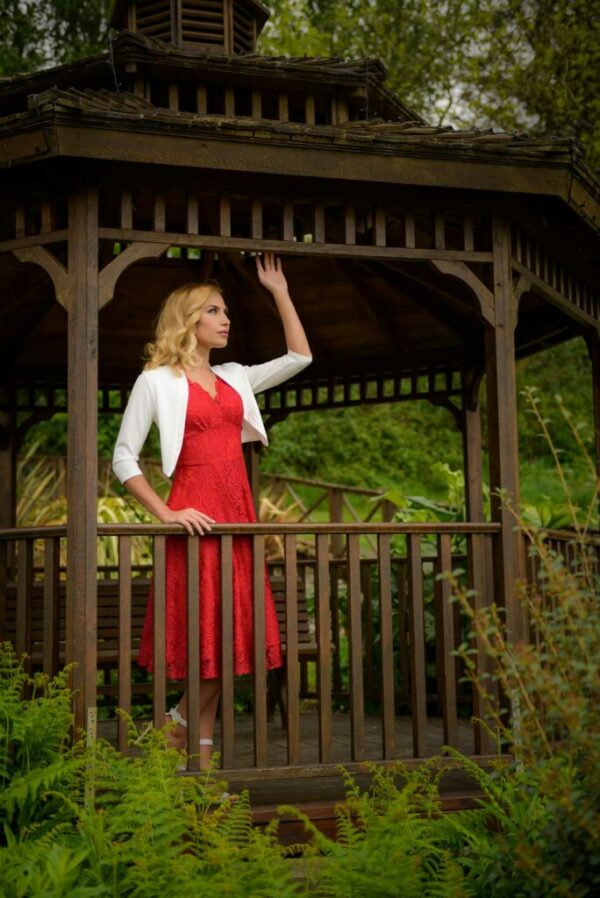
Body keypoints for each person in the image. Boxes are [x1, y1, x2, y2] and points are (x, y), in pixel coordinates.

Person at [112, 253, 312, 768]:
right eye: (215, 311)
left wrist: (280, 292)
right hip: (195, 518)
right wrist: (165, 513)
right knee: (208, 634)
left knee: (232, 635)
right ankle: (190, 748)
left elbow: (298, 357)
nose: (226, 320)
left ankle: (184, 742)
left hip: (239, 517)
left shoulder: (235, 376)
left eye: (226, 312)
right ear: (190, 319)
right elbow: (122, 458)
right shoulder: (155, 381)